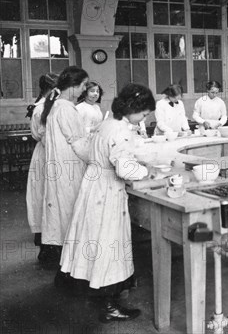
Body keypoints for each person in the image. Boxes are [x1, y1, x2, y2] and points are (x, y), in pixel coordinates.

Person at [60, 83, 156, 323]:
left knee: (93, 241)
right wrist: (147, 172)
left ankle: (96, 292)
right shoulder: (121, 131)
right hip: (107, 190)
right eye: (144, 114)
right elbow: (124, 168)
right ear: (133, 108)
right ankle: (110, 306)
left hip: (92, 186)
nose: (143, 118)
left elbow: (91, 150)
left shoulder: (107, 123)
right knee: (110, 242)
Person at [40, 66, 90, 268]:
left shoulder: (56, 106)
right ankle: (73, 266)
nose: (85, 89)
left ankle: (67, 262)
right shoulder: (67, 109)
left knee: (62, 215)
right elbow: (79, 144)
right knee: (71, 214)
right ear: (73, 85)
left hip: (60, 169)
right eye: (84, 85)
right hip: (69, 170)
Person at [25, 72, 59, 262]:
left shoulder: (53, 106)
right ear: (51, 88)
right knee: (45, 197)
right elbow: (42, 135)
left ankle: (54, 246)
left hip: (54, 153)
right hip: (46, 155)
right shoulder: (40, 109)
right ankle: (47, 250)